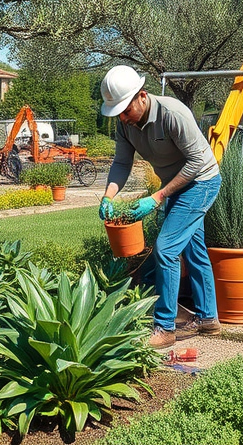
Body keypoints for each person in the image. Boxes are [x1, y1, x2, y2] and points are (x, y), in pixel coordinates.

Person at [97, 65, 222, 349]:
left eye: (125, 111)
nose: (123, 118)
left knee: (166, 249)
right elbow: (121, 163)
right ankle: (207, 318)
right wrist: (108, 195)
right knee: (193, 249)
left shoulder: (173, 113)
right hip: (176, 185)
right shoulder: (125, 124)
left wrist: (158, 197)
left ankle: (165, 327)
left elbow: (197, 163)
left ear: (141, 96)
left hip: (201, 182)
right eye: (117, 113)